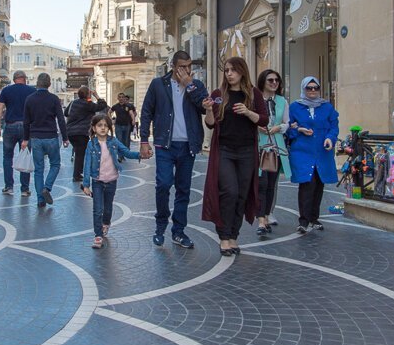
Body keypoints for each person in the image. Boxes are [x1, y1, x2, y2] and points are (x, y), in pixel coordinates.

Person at [139, 50, 208, 249]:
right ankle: (160, 226)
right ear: (173, 66)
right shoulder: (158, 84)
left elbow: (204, 107)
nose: (186, 70)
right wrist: (144, 140)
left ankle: (178, 231)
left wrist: (189, 86)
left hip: (188, 145)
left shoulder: (197, 85)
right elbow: (146, 112)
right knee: (163, 184)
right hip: (164, 144)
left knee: (183, 190)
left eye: (189, 66)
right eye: (182, 67)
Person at [201, 57, 269, 256]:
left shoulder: (253, 93)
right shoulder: (218, 94)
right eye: (227, 70)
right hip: (224, 151)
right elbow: (211, 124)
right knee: (229, 192)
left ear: (242, 71)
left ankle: (233, 236)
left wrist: (248, 112)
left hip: (247, 151)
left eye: (233, 70)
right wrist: (208, 109)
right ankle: (223, 236)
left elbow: (263, 119)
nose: (229, 74)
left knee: (241, 194)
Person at [287, 76, 339, 234]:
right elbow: (288, 128)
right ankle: (303, 220)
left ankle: (314, 218)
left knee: (319, 184)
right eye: (309, 88)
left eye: (315, 88)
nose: (312, 91)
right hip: (303, 152)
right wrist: (298, 130)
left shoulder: (327, 107)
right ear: (303, 89)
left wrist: (330, 138)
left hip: (322, 152)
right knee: (307, 184)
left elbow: (333, 126)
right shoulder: (295, 107)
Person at [82, 114, 142, 249]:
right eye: (99, 125)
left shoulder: (113, 141)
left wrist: (140, 155)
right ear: (94, 128)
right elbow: (87, 164)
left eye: (105, 125)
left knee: (107, 208)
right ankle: (98, 235)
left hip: (111, 181)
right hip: (97, 181)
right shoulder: (91, 144)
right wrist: (86, 184)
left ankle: (106, 223)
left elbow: (126, 152)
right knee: (97, 209)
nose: (103, 128)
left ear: (109, 127)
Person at [21, 73, 69, 208]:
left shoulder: (29, 99)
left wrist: (25, 139)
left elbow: (26, 122)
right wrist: (65, 138)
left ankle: (40, 199)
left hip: (35, 138)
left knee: (38, 170)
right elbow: (60, 120)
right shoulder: (54, 99)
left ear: (37, 83)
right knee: (55, 164)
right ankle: (47, 188)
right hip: (51, 137)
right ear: (49, 84)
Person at [256, 69, 291, 234]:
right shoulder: (255, 99)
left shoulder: (282, 101)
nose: (274, 83)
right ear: (263, 81)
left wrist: (279, 127)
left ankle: (267, 215)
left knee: (271, 184)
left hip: (276, 146)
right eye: (270, 80)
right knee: (261, 183)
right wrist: (257, 126)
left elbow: (287, 123)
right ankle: (261, 219)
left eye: (277, 80)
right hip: (258, 145)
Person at [0, 71, 36, 196]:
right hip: (26, 127)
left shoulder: (6, 90)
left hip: (10, 126)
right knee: (25, 155)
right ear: (25, 79)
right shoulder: (31, 90)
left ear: (14, 79)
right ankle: (24, 189)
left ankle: (9, 186)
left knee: (7, 157)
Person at [66, 86, 107, 182]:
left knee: (78, 152)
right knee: (80, 154)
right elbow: (102, 106)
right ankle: (76, 175)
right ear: (88, 94)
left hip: (70, 132)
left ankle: (78, 173)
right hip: (81, 132)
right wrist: (96, 96)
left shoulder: (73, 102)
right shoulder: (88, 104)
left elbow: (66, 113)